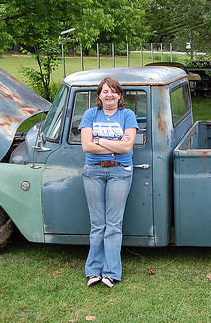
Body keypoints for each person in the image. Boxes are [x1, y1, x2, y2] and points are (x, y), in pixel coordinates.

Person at [79, 77, 138, 288]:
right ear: (99, 95)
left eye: (113, 91)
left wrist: (99, 140)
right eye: (105, 91)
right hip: (93, 172)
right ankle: (93, 270)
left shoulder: (127, 115)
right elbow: (86, 146)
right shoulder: (90, 114)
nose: (109, 95)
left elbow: (127, 148)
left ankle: (111, 272)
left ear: (120, 95)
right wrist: (115, 145)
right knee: (97, 224)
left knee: (113, 224)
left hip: (119, 172)